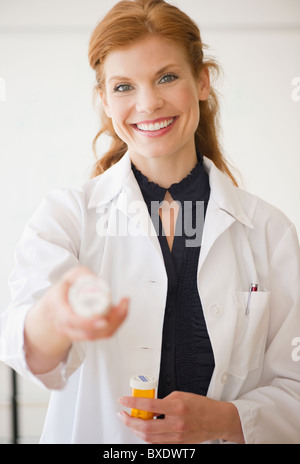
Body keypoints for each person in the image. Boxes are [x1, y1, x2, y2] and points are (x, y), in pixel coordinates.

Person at [0, 0, 300, 444]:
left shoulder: (267, 230)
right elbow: (30, 352)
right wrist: (57, 318)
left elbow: (294, 384)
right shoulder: (67, 217)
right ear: (103, 98)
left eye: (167, 77)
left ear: (202, 81)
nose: (148, 103)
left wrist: (227, 419)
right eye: (123, 86)